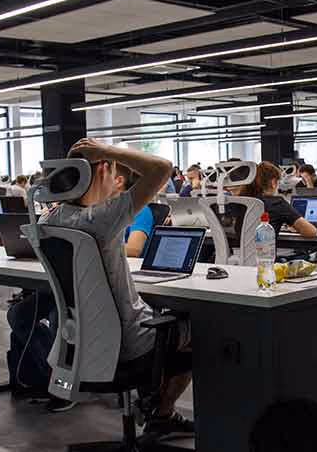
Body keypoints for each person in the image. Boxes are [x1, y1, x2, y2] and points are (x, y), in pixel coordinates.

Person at [39, 138, 194, 436]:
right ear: (101, 171)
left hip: (82, 343)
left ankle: (151, 402)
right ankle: (161, 411)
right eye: (112, 169)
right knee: (200, 327)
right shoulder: (102, 217)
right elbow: (163, 168)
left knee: (166, 322)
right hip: (130, 342)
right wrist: (108, 151)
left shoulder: (50, 219)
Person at [241, 161, 317, 238]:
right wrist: (295, 225)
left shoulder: (241, 201)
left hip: (238, 249)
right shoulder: (277, 203)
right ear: (273, 182)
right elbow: (311, 232)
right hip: (265, 249)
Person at [117, 163, 156, 257]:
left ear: (119, 181)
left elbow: (134, 249)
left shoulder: (140, 210)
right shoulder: (108, 209)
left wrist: (96, 249)